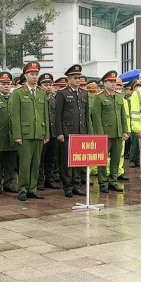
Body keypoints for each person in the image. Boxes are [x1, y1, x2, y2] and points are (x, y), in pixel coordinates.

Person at [9, 62, 51, 200]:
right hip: (25, 134)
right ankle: (23, 189)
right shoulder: (18, 93)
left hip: (39, 132)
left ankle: (32, 188)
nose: (34, 76)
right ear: (25, 76)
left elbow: (45, 114)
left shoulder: (42, 93)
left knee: (36, 163)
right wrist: (17, 134)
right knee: (25, 163)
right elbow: (15, 116)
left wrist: (46, 134)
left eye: (36, 74)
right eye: (31, 74)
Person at [55, 64, 92, 197]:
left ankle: (77, 185)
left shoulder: (84, 93)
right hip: (67, 132)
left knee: (78, 160)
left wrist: (88, 132)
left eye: (79, 78)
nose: (78, 80)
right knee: (67, 161)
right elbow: (57, 115)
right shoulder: (62, 94)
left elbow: (86, 115)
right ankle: (68, 186)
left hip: (81, 132)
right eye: (75, 78)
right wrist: (59, 132)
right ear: (69, 78)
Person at [90, 70, 128, 192]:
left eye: (114, 82)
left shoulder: (119, 96)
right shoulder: (99, 97)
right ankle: (103, 182)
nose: (113, 84)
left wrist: (125, 130)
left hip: (117, 133)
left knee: (116, 159)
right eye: (110, 82)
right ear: (104, 83)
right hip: (105, 133)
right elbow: (96, 117)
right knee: (103, 159)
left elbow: (123, 115)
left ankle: (113, 181)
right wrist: (100, 134)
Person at [0, 71, 19, 195]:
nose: (6, 86)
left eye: (8, 83)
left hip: (12, 136)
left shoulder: (15, 99)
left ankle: (8, 183)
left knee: (10, 162)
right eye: (3, 84)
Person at [38, 74, 61, 190]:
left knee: (51, 158)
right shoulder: (38, 99)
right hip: (42, 133)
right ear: (40, 86)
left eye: (50, 85)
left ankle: (49, 179)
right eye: (45, 85)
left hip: (53, 133)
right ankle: (40, 181)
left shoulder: (54, 100)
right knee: (40, 159)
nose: (48, 87)